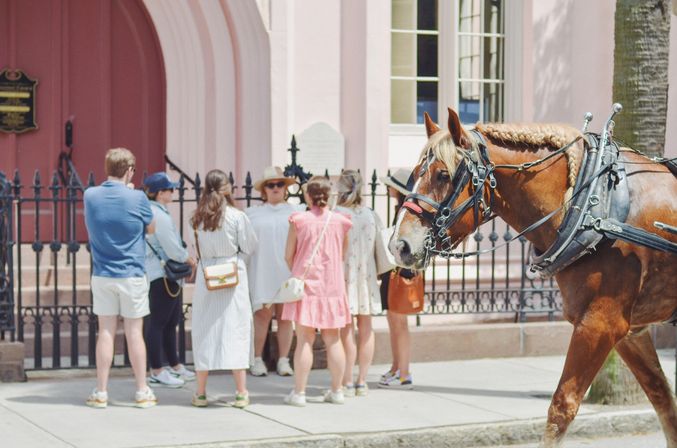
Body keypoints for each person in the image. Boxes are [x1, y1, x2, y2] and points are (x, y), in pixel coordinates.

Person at [83, 147, 157, 408]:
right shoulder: (137, 197)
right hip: (132, 273)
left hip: (103, 273)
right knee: (134, 333)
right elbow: (151, 227)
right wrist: (131, 192)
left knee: (105, 331)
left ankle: (101, 391)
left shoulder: (90, 195)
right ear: (129, 171)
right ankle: (142, 390)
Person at [281, 176, 352, 406]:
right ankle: (337, 390)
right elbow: (343, 253)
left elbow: (288, 255)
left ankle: (299, 393)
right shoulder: (341, 221)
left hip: (307, 286)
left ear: (308, 195)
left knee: (304, 340)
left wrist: (299, 270)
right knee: (334, 340)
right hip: (332, 287)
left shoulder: (299, 220)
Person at [190, 169, 258, 408]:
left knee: (204, 330)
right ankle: (241, 392)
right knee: (235, 329)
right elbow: (250, 246)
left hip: (207, 276)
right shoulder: (237, 217)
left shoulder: (197, 218)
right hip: (232, 273)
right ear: (227, 188)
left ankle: (200, 392)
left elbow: (193, 250)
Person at [245, 166, 302, 377]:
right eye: (271, 185)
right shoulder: (252, 214)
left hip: (288, 272)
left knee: (286, 318)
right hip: (262, 271)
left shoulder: (297, 211)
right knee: (261, 316)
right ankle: (257, 358)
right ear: (264, 190)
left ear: (285, 188)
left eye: (279, 184)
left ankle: (284, 360)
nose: (276, 188)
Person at [143, 172, 197, 388]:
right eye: (169, 189)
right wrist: (188, 259)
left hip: (162, 274)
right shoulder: (159, 216)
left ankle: (174, 365)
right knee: (158, 323)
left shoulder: (153, 212)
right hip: (161, 275)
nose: (173, 192)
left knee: (170, 321)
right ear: (159, 193)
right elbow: (172, 248)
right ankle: (157, 368)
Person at [335, 170, 384, 397]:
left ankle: (345, 380)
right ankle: (362, 381)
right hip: (367, 276)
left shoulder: (336, 215)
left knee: (346, 330)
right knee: (366, 329)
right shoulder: (371, 215)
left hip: (344, 276)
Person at [378, 168, 417, 390]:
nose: (388, 187)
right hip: (393, 273)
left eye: (391, 185)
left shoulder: (407, 212)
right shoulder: (400, 209)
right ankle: (396, 368)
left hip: (401, 273)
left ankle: (404, 373)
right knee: (394, 323)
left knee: (399, 324)